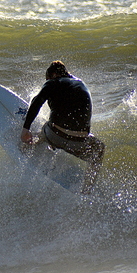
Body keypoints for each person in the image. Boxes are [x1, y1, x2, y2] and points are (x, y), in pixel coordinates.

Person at [20, 60, 105, 194]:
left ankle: (28, 144)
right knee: (99, 149)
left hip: (55, 136)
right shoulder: (82, 85)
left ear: (53, 75)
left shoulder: (53, 82)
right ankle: (86, 191)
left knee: (46, 127)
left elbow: (38, 101)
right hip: (79, 143)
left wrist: (26, 128)